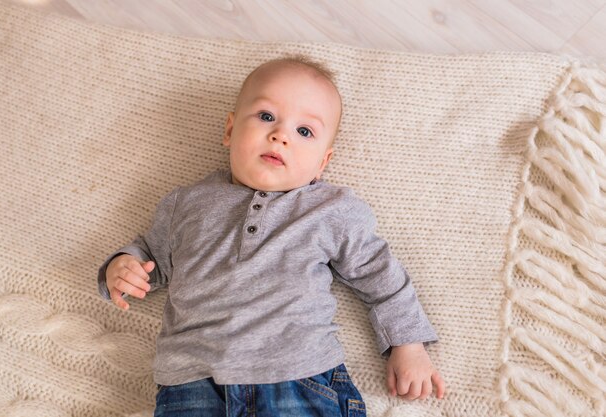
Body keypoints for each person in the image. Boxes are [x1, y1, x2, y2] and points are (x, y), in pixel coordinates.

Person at [98, 54, 445, 416]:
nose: (280, 135)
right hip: (192, 384)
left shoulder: (330, 210)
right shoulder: (186, 203)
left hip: (298, 377)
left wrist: (408, 344)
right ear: (230, 130)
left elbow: (382, 277)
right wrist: (125, 267)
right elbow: (152, 256)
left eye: (304, 131)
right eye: (266, 117)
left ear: (322, 163)